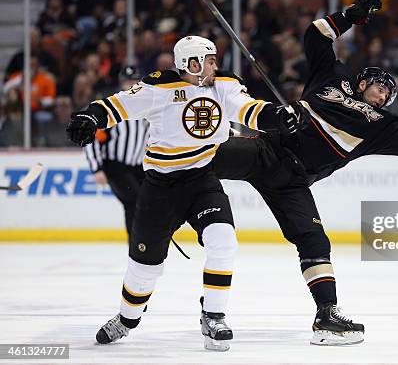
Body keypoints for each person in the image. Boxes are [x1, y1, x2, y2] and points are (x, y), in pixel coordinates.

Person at [211, 0, 398, 346]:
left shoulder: (381, 124)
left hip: (292, 180)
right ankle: (156, 188)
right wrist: (352, 15)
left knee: (314, 239)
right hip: (266, 147)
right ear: (363, 81)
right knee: (203, 155)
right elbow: (316, 34)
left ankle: (326, 315)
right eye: (380, 86)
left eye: (389, 94)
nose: (383, 95)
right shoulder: (332, 76)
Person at [66, 35, 307, 351]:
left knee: (224, 240)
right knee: (144, 268)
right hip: (159, 188)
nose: (214, 65)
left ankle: (214, 315)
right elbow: (115, 106)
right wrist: (89, 116)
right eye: (209, 60)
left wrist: (278, 117)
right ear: (191, 63)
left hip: (201, 180)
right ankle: (126, 319)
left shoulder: (224, 84)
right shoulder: (158, 88)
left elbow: (249, 109)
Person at [83, 66, 148, 235]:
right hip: (115, 166)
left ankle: (143, 244)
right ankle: (136, 246)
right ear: (121, 83)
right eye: (127, 81)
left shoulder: (147, 106)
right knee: (134, 201)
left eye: (134, 81)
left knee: (146, 202)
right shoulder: (111, 107)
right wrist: (96, 168)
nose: (131, 85)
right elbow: (91, 137)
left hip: (139, 167)